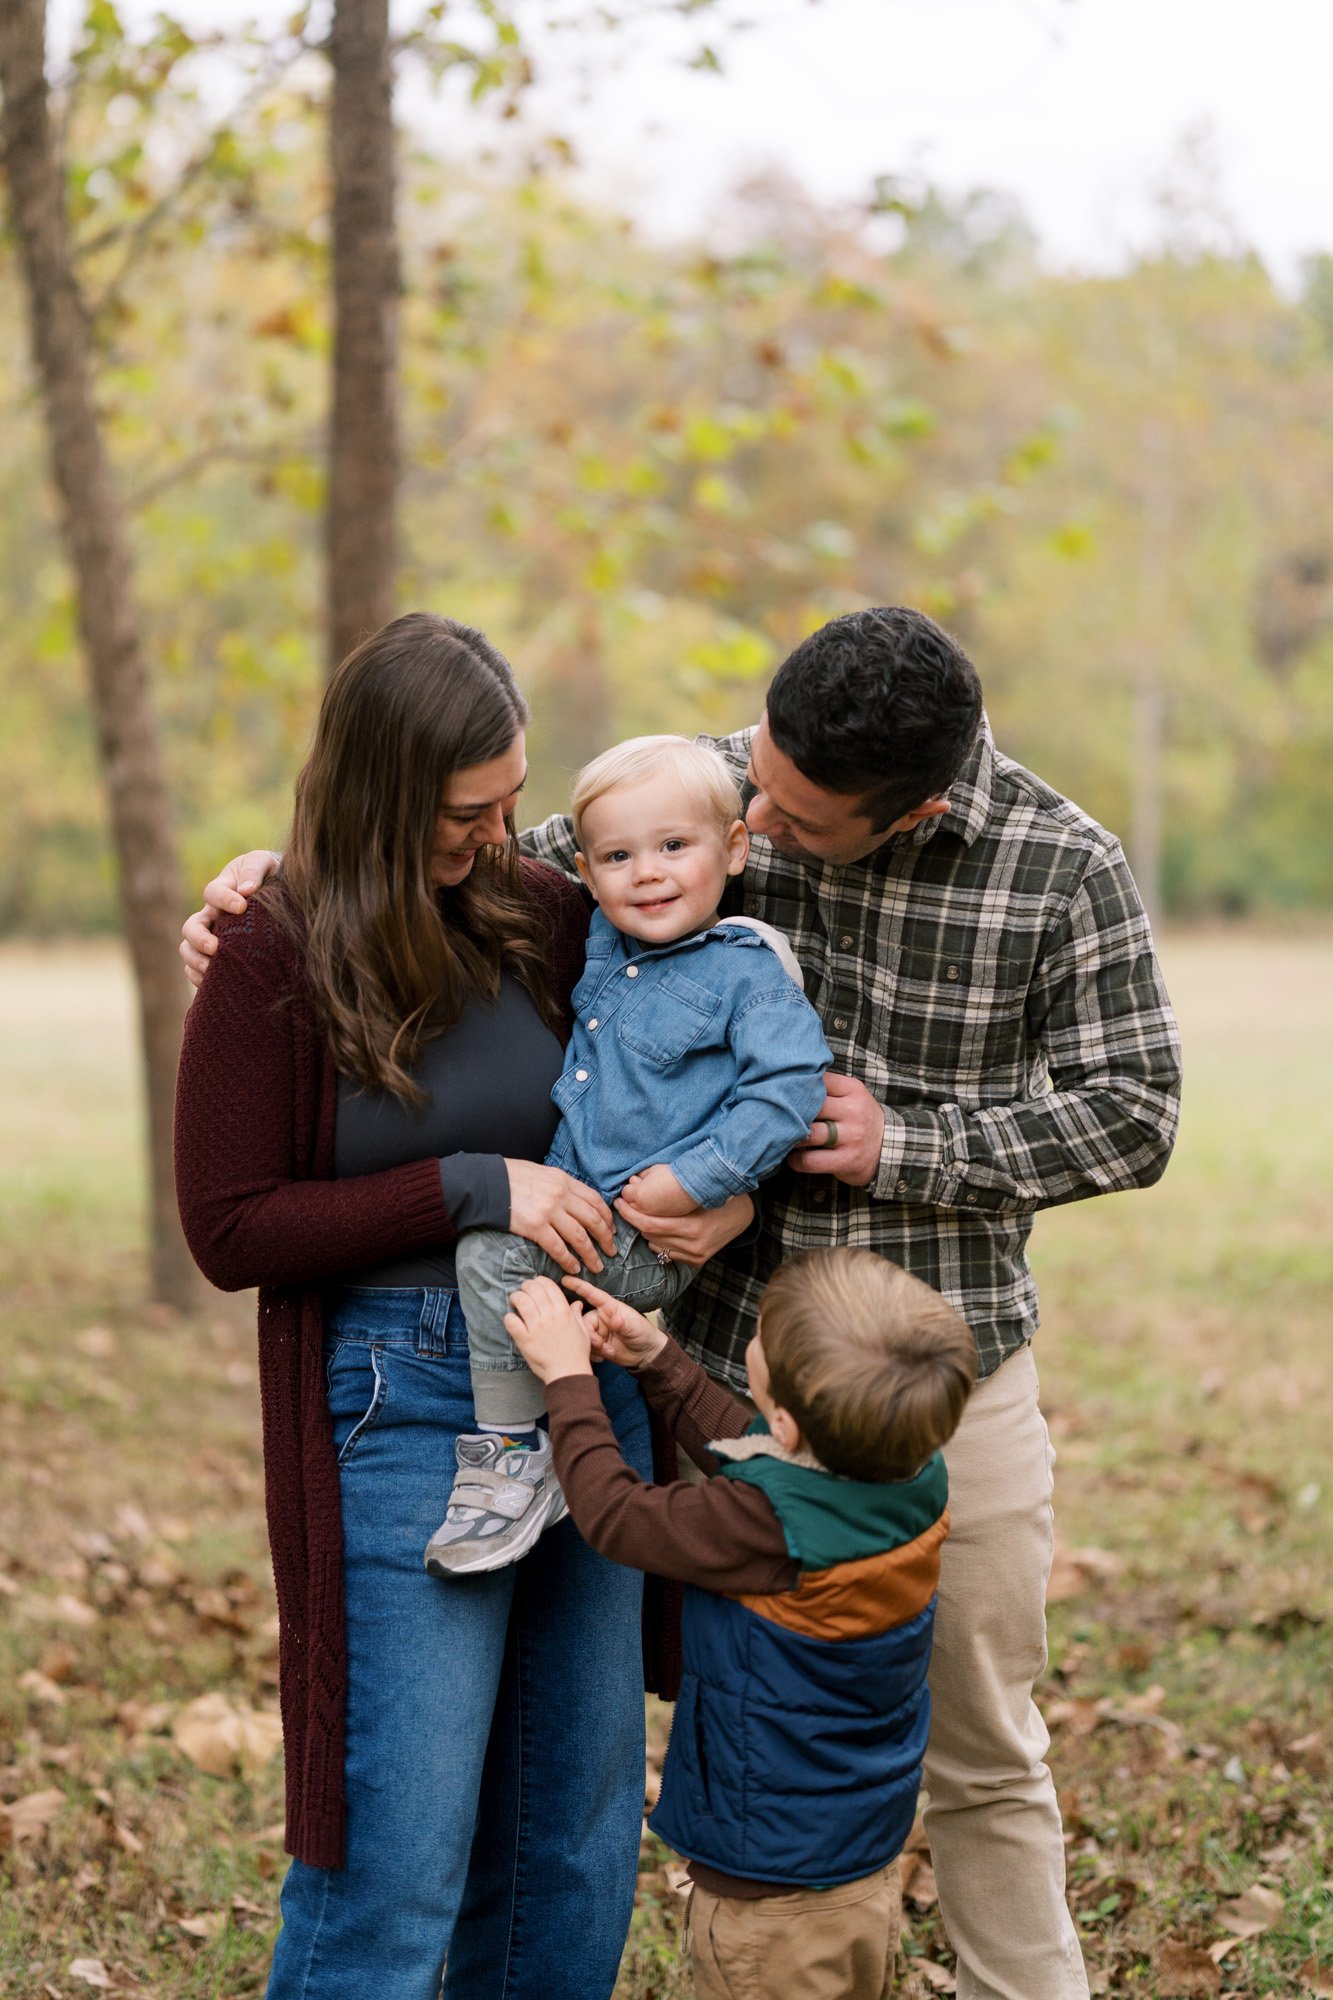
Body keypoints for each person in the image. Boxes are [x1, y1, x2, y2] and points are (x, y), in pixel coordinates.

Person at [183, 604, 1183, 2000]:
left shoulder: (1052, 868)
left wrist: (894, 1143)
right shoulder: (665, 823)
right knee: (480, 1824)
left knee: (889, 1767)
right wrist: (263, 884)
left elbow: (1136, 1113)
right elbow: (447, 875)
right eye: (750, 782)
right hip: (614, 1363)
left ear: (910, 807)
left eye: (782, 810)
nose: (751, 820)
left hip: (867, 1363)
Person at [172, 611, 754, 2000]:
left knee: (570, 1842)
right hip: (403, 1398)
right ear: (379, 796)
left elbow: (702, 829)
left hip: (582, 1386)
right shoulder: (275, 953)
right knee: (396, 1861)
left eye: (513, 801)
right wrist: (467, 1185)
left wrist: (722, 1191)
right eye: (464, 813)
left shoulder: (550, 913)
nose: (499, 834)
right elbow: (229, 1226)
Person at [501, 1248, 977, 2000]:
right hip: (859, 1867)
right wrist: (659, 1361)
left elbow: (619, 1517)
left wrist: (568, 1379)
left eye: (758, 1339)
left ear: (784, 1420)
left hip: (768, 1897)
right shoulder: (912, 1476)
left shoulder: (767, 1529)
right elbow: (764, 1463)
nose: (750, 1342)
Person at [431, 734, 831, 1577]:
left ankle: (512, 1453)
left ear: (733, 849)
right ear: (586, 868)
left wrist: (700, 1181)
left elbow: (788, 1089)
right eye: (617, 857)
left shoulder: (746, 971)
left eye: (674, 848)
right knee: (501, 1255)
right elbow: (473, 851)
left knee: (489, 1252)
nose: (645, 873)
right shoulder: (610, 942)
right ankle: (536, 1437)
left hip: (650, 1237)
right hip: (588, 1211)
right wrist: (272, 871)